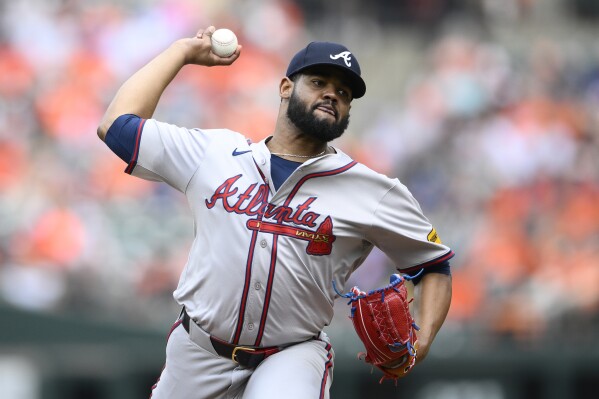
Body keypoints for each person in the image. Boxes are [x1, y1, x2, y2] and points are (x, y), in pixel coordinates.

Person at [97, 26, 454, 399]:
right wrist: (181, 52)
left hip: (292, 355)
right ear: (286, 88)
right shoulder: (214, 153)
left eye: (344, 93)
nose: (332, 94)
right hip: (198, 350)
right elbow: (116, 125)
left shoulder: (373, 191)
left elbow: (432, 265)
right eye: (319, 82)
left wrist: (422, 340)